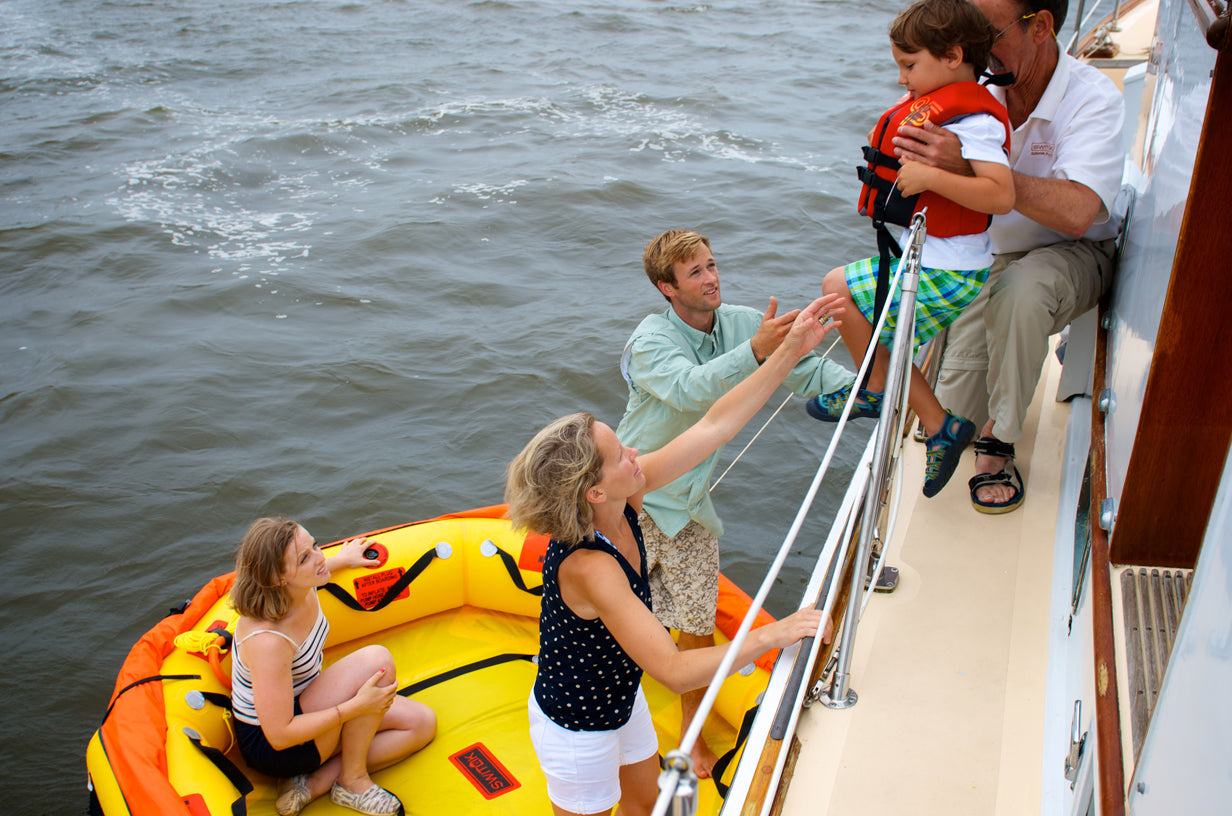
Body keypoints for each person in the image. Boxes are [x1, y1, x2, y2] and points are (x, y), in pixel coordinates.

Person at [508, 296, 840, 816]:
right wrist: (775, 632)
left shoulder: (625, 499)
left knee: (643, 806)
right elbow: (674, 669)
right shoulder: (590, 565)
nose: (635, 453)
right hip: (577, 725)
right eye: (622, 456)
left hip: (621, 697)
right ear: (593, 492)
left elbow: (714, 426)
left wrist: (787, 353)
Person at [615, 229, 852, 776]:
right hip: (633, 494)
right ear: (666, 288)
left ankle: (690, 736)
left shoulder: (744, 322)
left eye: (712, 264)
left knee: (695, 621)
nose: (712, 277)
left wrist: (866, 392)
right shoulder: (648, 341)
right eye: (695, 271)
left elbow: (808, 373)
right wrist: (760, 351)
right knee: (614, 607)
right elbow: (692, 390)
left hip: (690, 505)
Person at [891, 0, 1125, 513]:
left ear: (1041, 26)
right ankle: (973, 415)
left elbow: (1080, 212)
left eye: (987, 31)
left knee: (1023, 292)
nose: (972, 43)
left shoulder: (1092, 98)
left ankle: (1002, 439)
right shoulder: (965, 87)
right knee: (952, 415)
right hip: (988, 252)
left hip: (1074, 249)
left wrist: (968, 165)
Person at [806, 0, 1016, 500]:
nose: (903, 80)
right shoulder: (947, 110)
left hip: (949, 269)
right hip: (924, 259)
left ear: (952, 56)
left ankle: (883, 393)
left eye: (909, 65)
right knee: (847, 299)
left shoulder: (977, 123)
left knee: (856, 311)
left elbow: (1001, 194)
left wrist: (931, 176)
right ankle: (934, 421)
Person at [231, 518, 437, 816]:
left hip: (306, 710)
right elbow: (280, 734)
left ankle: (317, 783)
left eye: (315, 545)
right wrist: (355, 708)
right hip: (276, 746)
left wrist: (343, 559)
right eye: (304, 558)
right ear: (278, 578)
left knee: (421, 723)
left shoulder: (301, 586)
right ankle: (354, 781)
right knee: (376, 662)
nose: (318, 557)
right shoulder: (268, 641)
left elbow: (320, 564)